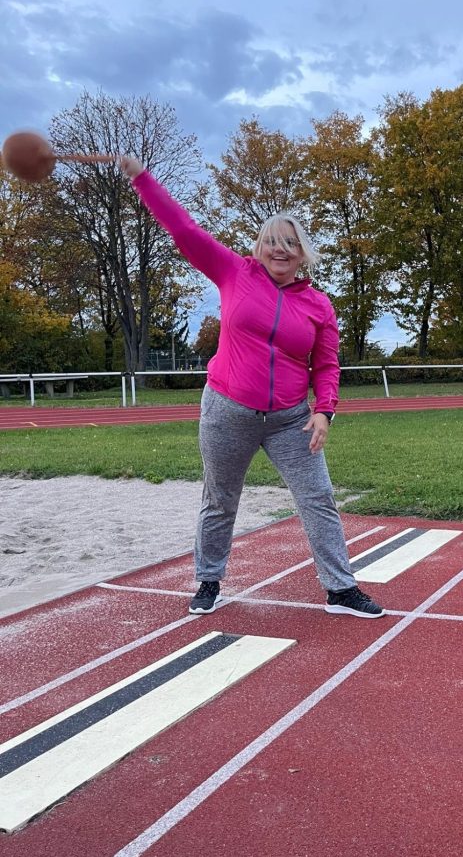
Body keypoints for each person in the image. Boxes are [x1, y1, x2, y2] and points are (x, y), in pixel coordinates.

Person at [120, 155, 384, 618]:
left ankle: (340, 589)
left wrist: (324, 410)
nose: (279, 250)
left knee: (318, 499)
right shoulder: (233, 272)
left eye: (289, 244)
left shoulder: (319, 305)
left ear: (302, 253)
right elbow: (184, 230)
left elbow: (326, 365)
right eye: (271, 242)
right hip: (228, 412)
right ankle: (208, 581)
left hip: (290, 421)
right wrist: (142, 179)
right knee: (220, 500)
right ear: (259, 247)